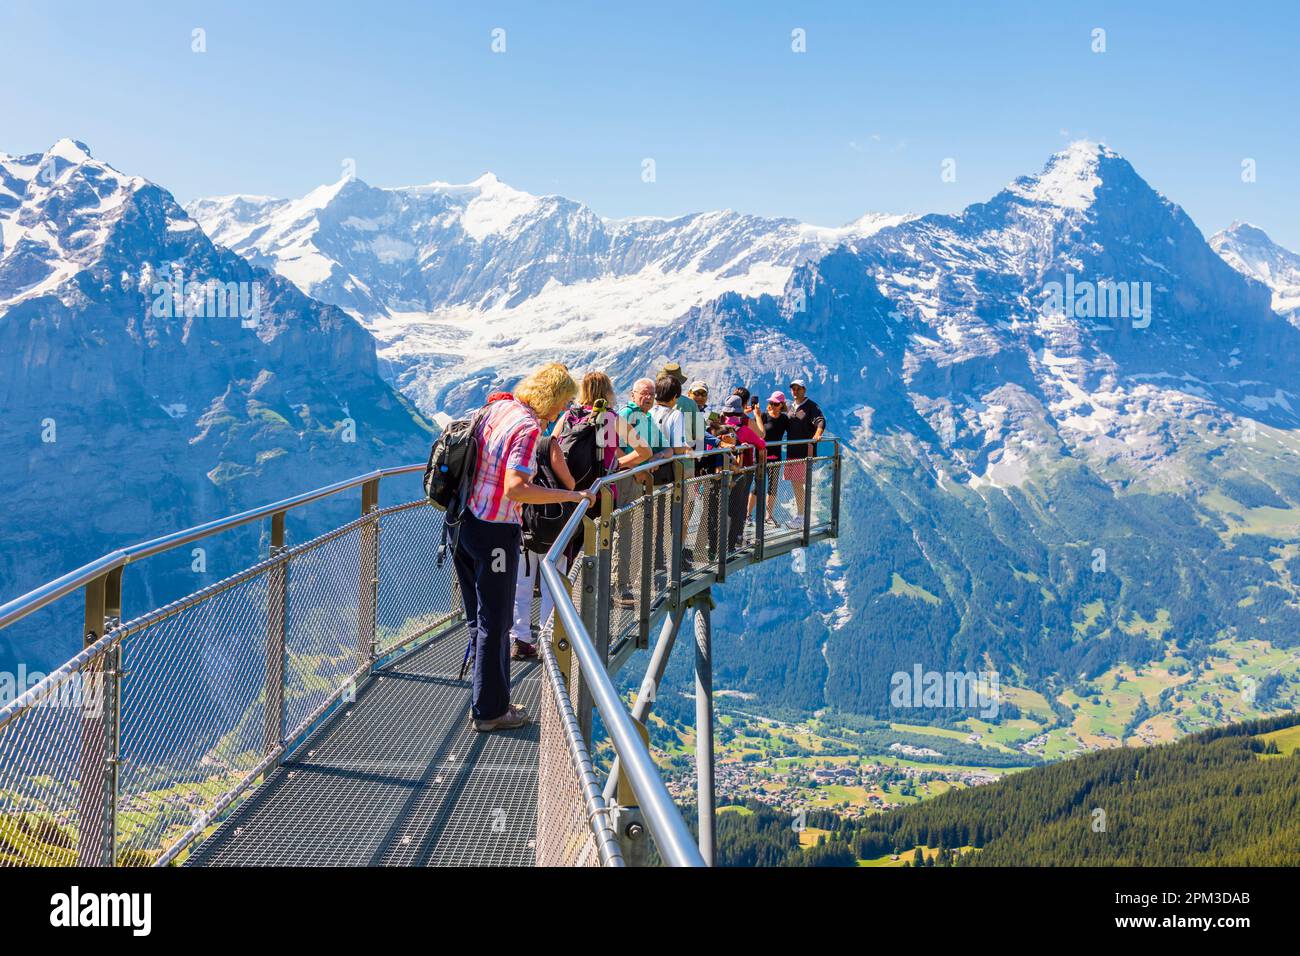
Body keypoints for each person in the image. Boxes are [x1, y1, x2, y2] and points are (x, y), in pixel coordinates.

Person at [453, 363, 595, 732]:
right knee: (495, 623)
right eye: (564, 403)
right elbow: (516, 487)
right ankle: (490, 711)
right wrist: (568, 495)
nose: (562, 412)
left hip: (462, 523)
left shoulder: (496, 407)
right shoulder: (529, 428)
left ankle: (489, 698)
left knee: (480, 620)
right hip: (495, 530)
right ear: (553, 397)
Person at [719, 395, 766, 552]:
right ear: (740, 414)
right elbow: (761, 443)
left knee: (718, 508)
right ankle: (731, 544)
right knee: (737, 508)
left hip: (717, 474)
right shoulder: (744, 430)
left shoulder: (716, 427)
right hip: (741, 472)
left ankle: (714, 545)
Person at [784, 378, 826, 529]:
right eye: (793, 389)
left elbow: (820, 421)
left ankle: (801, 516)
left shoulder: (811, 406)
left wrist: (818, 434)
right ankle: (801, 515)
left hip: (803, 452)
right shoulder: (790, 406)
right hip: (792, 451)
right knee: (795, 483)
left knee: (797, 482)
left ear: (804, 390)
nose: (795, 391)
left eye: (798, 389)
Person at [761, 391, 790, 527]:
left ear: (781, 405)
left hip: (776, 456)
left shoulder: (784, 419)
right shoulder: (763, 416)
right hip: (760, 456)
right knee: (757, 486)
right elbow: (756, 433)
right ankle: (748, 515)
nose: (772, 405)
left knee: (772, 486)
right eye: (771, 403)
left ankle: (768, 516)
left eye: (776, 403)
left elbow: (794, 429)